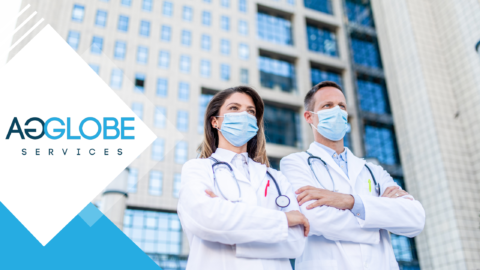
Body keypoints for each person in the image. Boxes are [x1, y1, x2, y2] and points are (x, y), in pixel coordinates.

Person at [281, 81, 425, 270]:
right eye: (327, 106)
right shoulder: (295, 163)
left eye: (342, 106)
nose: (337, 111)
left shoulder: (373, 170)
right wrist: (378, 219)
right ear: (309, 116)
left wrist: (349, 201)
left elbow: (415, 219)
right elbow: (315, 220)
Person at [177, 86, 309, 270]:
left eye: (250, 111)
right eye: (234, 108)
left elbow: (295, 243)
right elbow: (207, 219)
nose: (244, 115)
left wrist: (229, 231)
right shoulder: (198, 169)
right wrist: (283, 220)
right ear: (215, 122)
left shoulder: (277, 179)